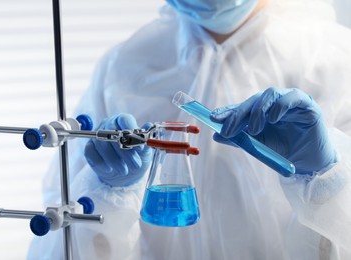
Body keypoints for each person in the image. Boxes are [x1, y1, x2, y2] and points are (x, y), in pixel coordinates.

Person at [28, 0, 351, 259]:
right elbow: (62, 237)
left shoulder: (336, 60)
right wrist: (106, 191)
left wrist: (326, 183)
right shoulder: (123, 66)